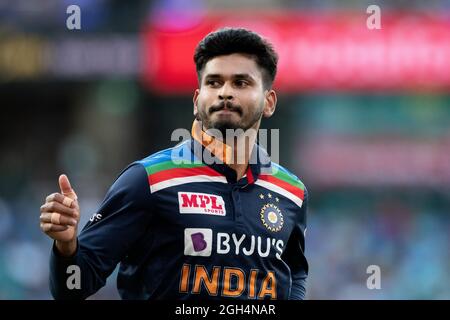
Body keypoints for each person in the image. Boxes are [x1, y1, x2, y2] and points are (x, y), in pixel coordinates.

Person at [39, 27, 309, 300]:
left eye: (241, 83)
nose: (225, 93)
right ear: (196, 100)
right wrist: (66, 245)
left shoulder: (292, 193)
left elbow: (294, 272)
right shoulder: (148, 180)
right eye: (214, 82)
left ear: (269, 102)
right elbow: (72, 288)